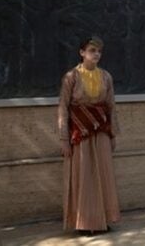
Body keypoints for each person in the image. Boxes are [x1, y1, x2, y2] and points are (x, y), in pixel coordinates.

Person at [57, 36, 120, 233]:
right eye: (92, 50)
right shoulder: (71, 77)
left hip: (101, 133)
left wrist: (113, 134)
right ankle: (83, 223)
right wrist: (64, 139)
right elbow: (63, 109)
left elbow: (111, 106)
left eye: (99, 51)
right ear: (82, 52)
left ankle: (103, 221)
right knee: (83, 177)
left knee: (103, 175)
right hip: (80, 134)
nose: (96, 54)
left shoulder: (106, 77)